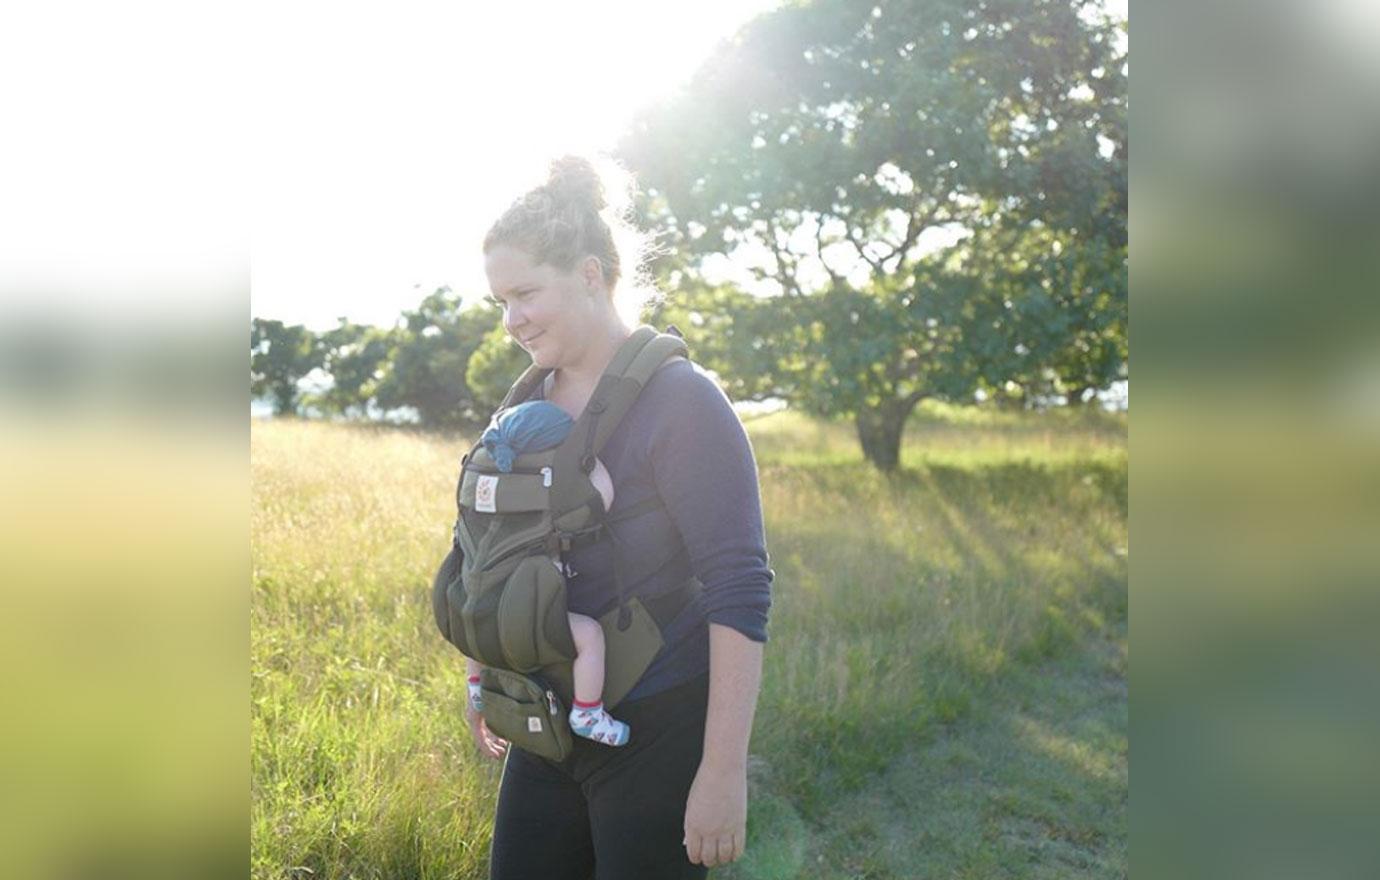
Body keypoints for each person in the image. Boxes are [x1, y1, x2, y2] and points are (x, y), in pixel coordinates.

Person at [465, 154, 773, 878]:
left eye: (525, 294)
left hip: (657, 727)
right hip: (548, 723)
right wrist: (484, 677)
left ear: (591, 274)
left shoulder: (683, 402)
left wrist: (722, 774)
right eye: (499, 303)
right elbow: (492, 553)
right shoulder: (522, 405)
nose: (511, 321)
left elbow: (739, 589)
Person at [464, 400, 630, 747]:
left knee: (479, 624)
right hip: (528, 618)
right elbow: (603, 499)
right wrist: (587, 460)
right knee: (590, 636)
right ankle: (587, 713)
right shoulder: (547, 497)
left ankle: (476, 688)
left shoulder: (484, 496)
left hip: (478, 612)